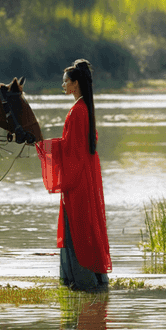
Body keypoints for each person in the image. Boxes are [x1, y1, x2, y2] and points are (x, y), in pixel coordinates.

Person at [35, 59, 111, 292]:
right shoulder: (84, 108)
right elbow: (75, 146)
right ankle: (90, 279)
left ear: (76, 83)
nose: (63, 85)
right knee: (84, 225)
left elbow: (72, 149)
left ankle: (82, 281)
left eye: (66, 81)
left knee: (77, 228)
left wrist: (44, 146)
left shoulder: (78, 111)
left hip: (78, 180)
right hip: (83, 177)